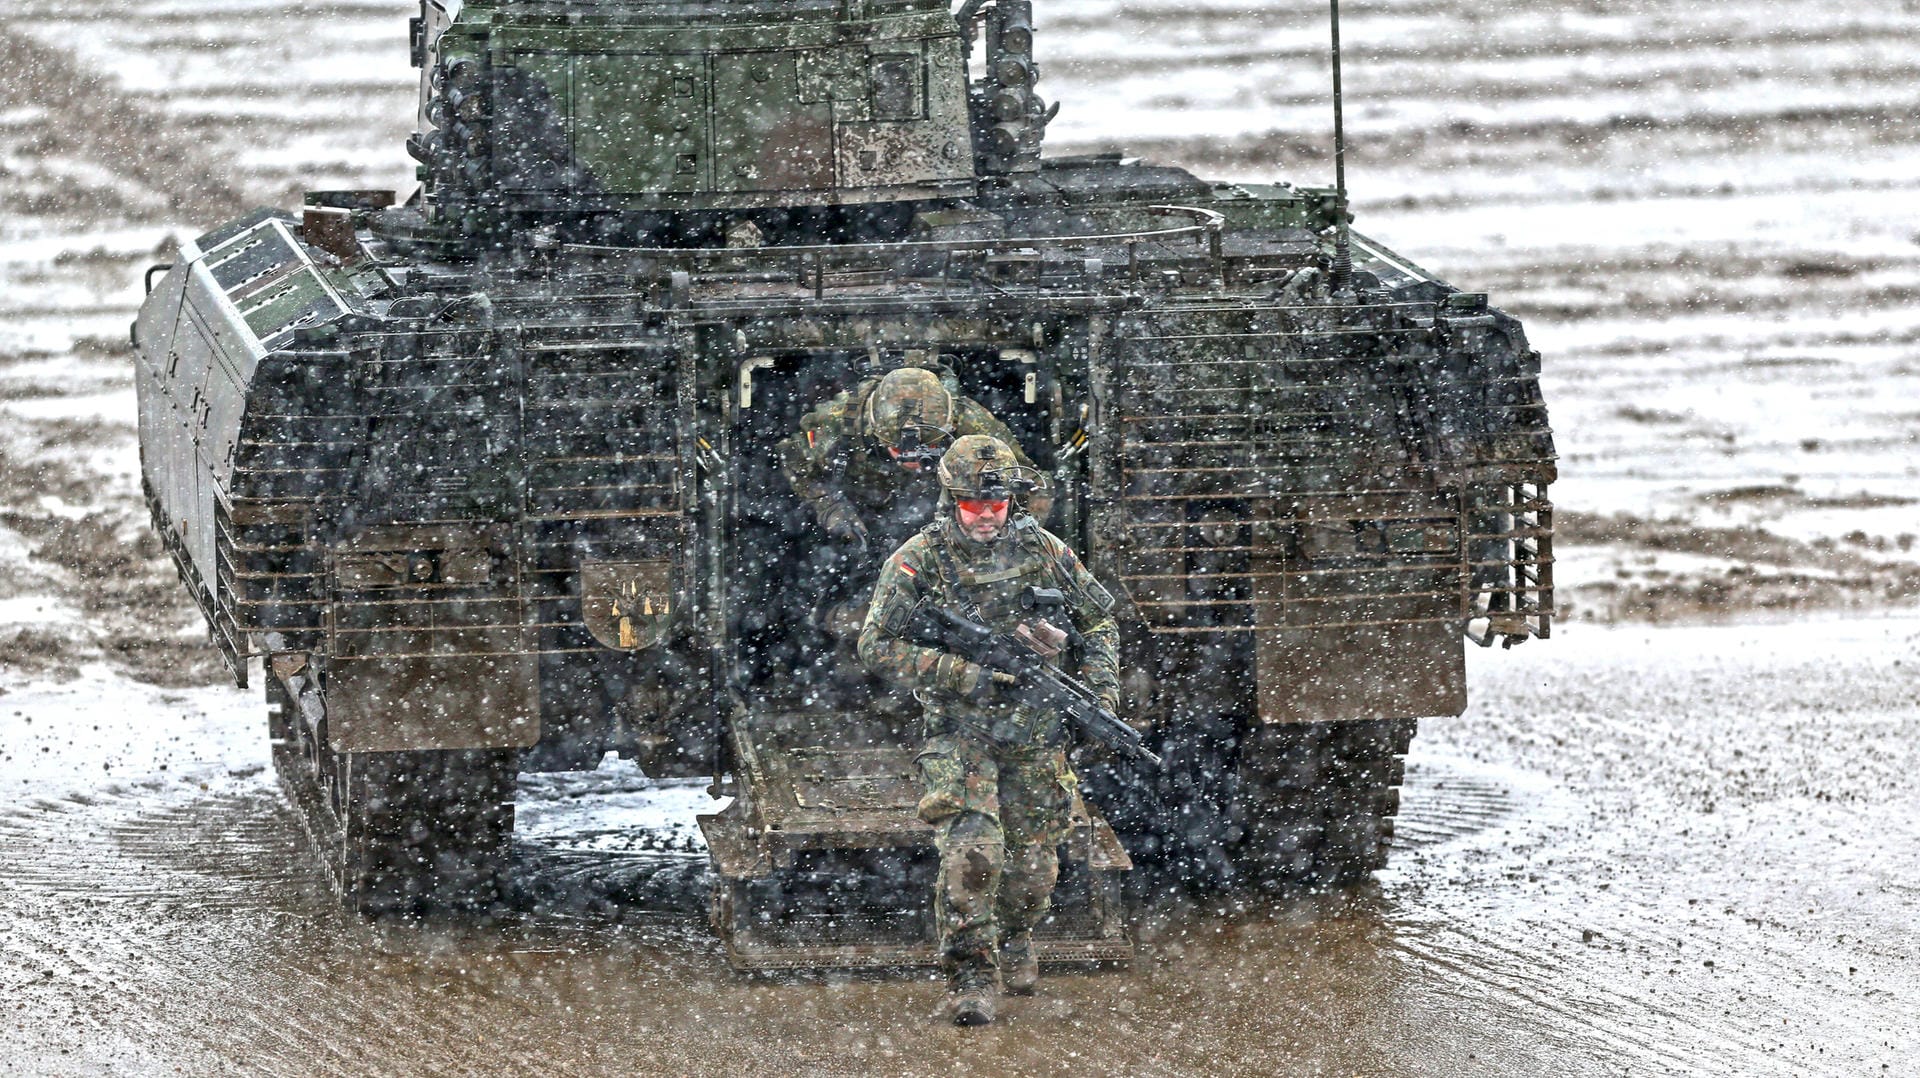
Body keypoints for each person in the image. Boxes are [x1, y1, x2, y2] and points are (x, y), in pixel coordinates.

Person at [857, 435, 1121, 1026]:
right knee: (974, 856)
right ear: (951, 499)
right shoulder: (917, 560)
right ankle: (972, 976)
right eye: (974, 505)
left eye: (996, 505)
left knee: (1033, 870)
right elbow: (875, 645)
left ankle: (1016, 936)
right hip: (960, 729)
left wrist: (1099, 691)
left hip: (1034, 731)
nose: (985, 516)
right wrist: (965, 673)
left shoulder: (1046, 550)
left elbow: (1100, 618)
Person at [776, 364, 1052, 563]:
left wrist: (1007, 540)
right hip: (867, 517)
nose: (915, 460)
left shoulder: (972, 424)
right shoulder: (836, 423)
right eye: (899, 449)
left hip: (952, 518)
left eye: (929, 447)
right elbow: (795, 459)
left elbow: (1033, 485)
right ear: (876, 434)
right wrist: (829, 506)